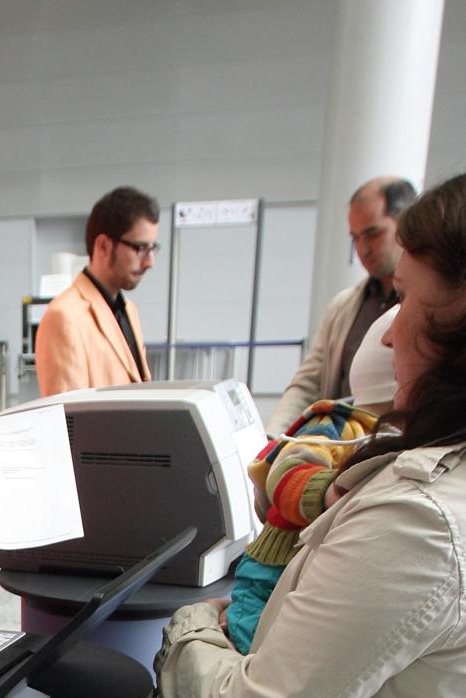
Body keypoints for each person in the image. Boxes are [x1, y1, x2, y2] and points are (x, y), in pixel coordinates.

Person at [155, 172, 466, 696]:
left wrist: (190, 626)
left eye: (406, 298)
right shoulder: (417, 475)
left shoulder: (415, 521)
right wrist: (276, 447)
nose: (388, 336)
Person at [225, 307, 398, 655]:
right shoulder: (337, 426)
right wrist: (332, 493)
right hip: (271, 567)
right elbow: (286, 471)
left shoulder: (393, 440)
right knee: (249, 638)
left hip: (308, 568)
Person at [266, 176, 416, 435]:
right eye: (355, 238)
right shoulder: (342, 307)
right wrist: (272, 438)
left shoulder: (424, 306)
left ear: (406, 224)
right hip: (342, 447)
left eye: (373, 234)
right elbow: (308, 384)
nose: (363, 249)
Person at [35, 186, 158, 395]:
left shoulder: (128, 310)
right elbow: (69, 413)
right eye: (140, 248)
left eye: (152, 248)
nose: (149, 262)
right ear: (103, 246)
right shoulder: (64, 317)